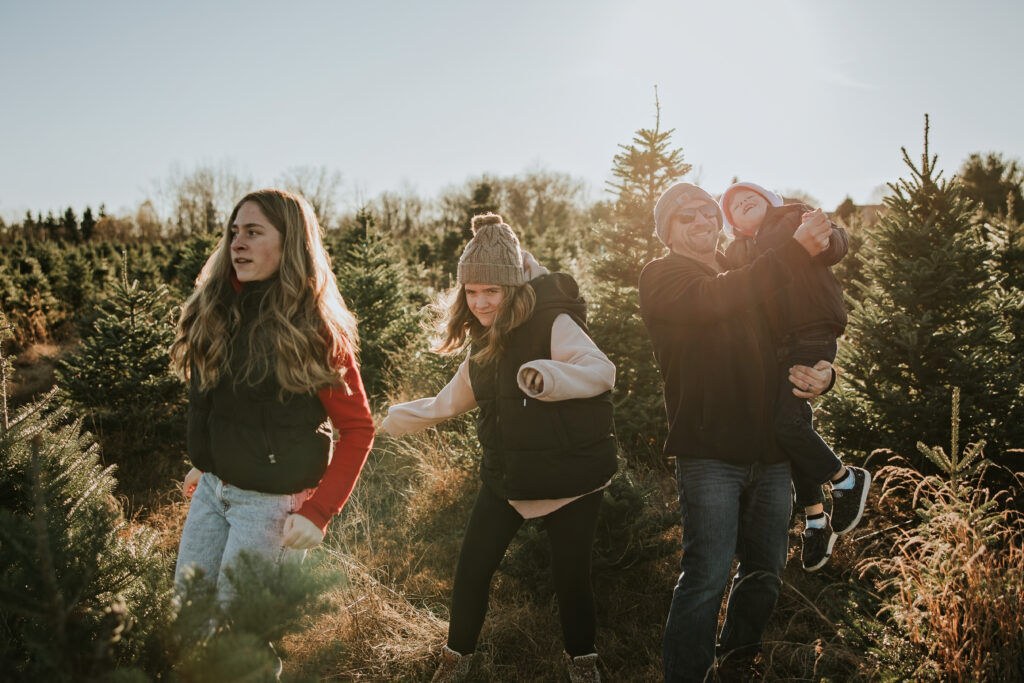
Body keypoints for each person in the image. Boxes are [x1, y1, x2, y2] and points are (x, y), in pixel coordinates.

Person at [380, 213, 617, 683]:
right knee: (472, 568)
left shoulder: (553, 321)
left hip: (570, 477)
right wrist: (382, 424)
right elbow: (448, 402)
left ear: (513, 286)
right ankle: (456, 658)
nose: (481, 302)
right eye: (472, 292)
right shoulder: (483, 343)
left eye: (492, 291)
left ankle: (583, 665)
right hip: (509, 478)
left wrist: (546, 376)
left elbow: (600, 369)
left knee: (571, 578)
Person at [638, 182, 836, 682]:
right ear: (668, 232)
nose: (703, 222)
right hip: (709, 453)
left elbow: (794, 332)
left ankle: (737, 664)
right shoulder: (663, 276)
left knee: (765, 573)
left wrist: (824, 375)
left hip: (771, 454)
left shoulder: (743, 271)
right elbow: (714, 300)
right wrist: (790, 252)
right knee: (705, 576)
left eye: (708, 213)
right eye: (688, 218)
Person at [169, 189, 375, 607]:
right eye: (233, 232)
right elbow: (220, 403)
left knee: (239, 633)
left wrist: (318, 512)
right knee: (187, 612)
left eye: (253, 232)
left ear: (290, 244)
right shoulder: (218, 311)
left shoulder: (314, 330)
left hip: (271, 506)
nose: (237, 243)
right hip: (212, 491)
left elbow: (357, 428)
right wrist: (207, 460)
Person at [720, 181, 870, 571]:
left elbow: (837, 239)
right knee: (789, 428)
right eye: (733, 204)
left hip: (812, 332)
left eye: (749, 194)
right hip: (777, 346)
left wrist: (827, 240)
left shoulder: (789, 218)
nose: (742, 200)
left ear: (769, 200)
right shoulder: (737, 251)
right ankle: (817, 521)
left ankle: (846, 480)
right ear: (731, 221)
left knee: (786, 424)